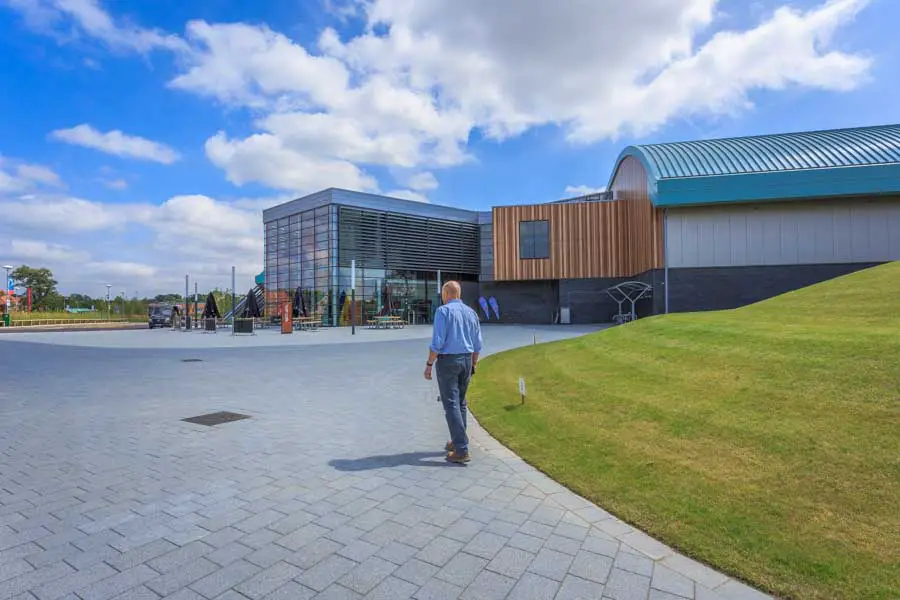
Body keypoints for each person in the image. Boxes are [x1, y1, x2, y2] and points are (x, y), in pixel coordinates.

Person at [424, 281, 483, 463]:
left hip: (449, 361)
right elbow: (477, 342)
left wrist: (429, 364)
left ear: (447, 293)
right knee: (461, 402)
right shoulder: (471, 312)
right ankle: (457, 441)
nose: (442, 297)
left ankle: (461, 449)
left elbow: (438, 342)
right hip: (466, 360)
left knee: (451, 404)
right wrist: (474, 363)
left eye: (442, 293)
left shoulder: (443, 311)